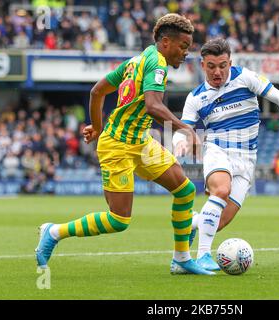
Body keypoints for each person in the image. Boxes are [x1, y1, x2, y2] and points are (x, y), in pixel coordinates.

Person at [35, 14, 215, 275]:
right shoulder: (158, 64)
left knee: (185, 191)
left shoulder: (137, 60)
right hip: (117, 145)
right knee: (119, 220)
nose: (186, 53)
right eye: (184, 46)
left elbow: (97, 91)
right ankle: (53, 232)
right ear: (166, 42)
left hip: (140, 142)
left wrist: (96, 126)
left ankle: (181, 259)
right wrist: (187, 129)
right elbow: (153, 106)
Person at [172, 38, 279, 271]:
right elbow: (182, 128)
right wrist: (180, 143)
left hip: (247, 159)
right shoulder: (195, 98)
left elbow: (278, 97)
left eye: (223, 65)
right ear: (203, 65)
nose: (218, 71)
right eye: (212, 66)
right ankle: (203, 255)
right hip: (218, 149)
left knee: (219, 222)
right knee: (221, 190)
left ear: (230, 62)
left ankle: (192, 223)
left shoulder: (245, 77)